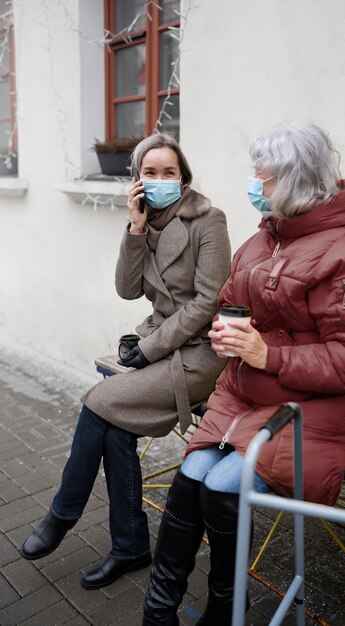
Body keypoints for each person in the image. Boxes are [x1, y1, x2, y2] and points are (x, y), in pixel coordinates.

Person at [141, 124, 345, 625]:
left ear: (298, 183)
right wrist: (227, 332)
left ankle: (224, 609)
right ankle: (159, 610)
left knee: (219, 487)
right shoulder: (266, 239)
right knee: (189, 478)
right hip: (245, 395)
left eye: (264, 177)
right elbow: (231, 303)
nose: (254, 184)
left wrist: (268, 355)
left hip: (315, 406)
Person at [20, 133, 231, 590]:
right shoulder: (146, 221)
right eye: (149, 173)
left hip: (199, 354)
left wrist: (151, 348)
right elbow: (127, 288)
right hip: (160, 341)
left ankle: (63, 512)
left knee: (98, 400)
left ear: (183, 176)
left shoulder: (208, 220)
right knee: (116, 427)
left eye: (168, 172)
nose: (159, 180)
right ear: (136, 181)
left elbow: (208, 303)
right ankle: (130, 546)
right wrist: (134, 228)